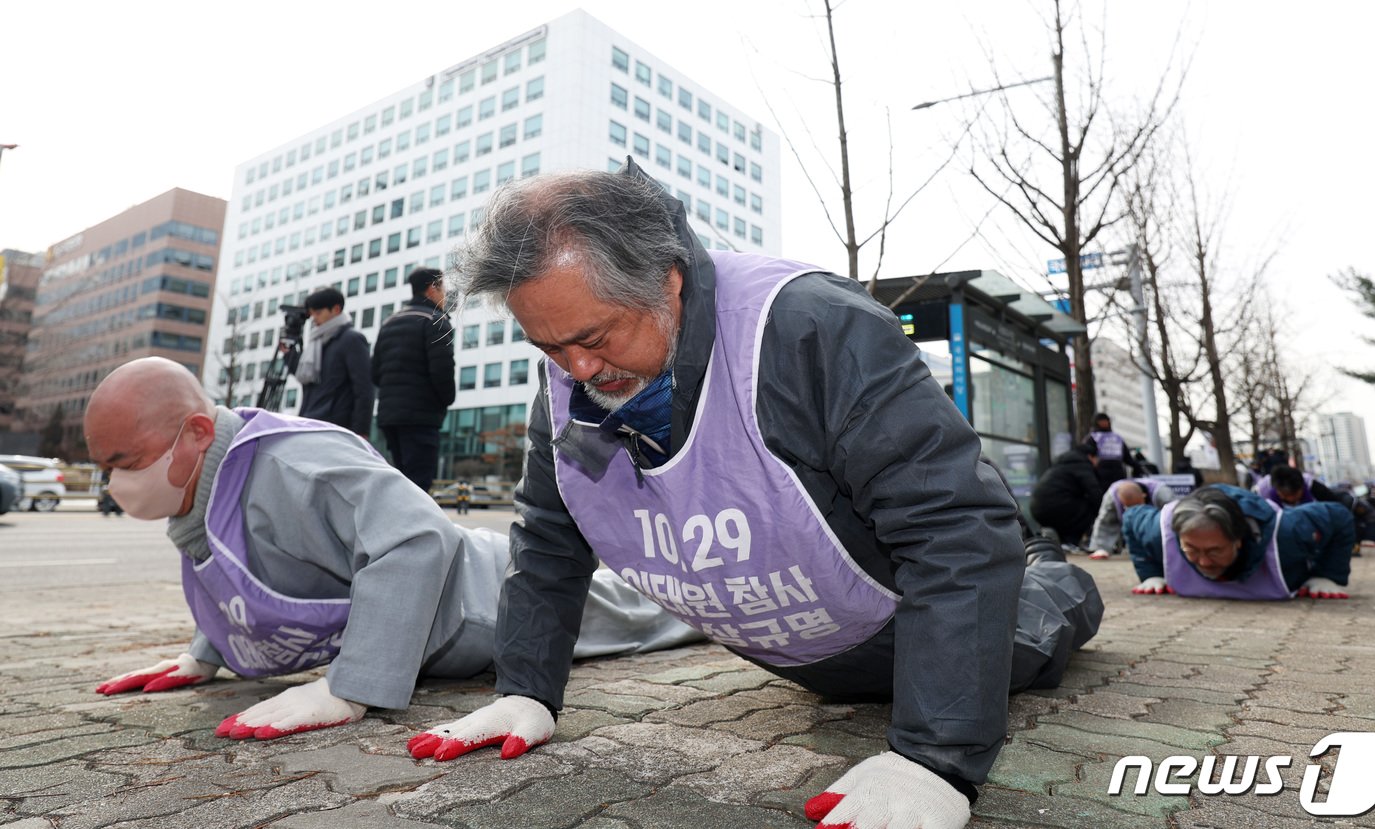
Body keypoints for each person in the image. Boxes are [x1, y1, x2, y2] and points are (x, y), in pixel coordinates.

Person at [404, 163, 1102, 829]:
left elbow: (952, 533)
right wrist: (524, 687)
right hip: (810, 655)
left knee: (1041, 607)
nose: (577, 369)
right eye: (550, 348)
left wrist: (936, 756)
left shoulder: (813, 327)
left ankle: (1049, 565)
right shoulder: (571, 382)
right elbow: (548, 542)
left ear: (666, 282)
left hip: (924, 627)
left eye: (592, 337)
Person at [82, 357, 700, 741]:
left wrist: (347, 690)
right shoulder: (209, 485)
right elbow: (247, 570)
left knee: (659, 608)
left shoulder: (295, 464)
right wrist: (207, 652)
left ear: (195, 434)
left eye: (125, 463)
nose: (115, 484)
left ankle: (726, 596)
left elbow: (417, 536)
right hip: (439, 620)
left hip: (483, 599)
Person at [1122, 484, 1353, 599]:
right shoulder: (1159, 532)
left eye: (1215, 551)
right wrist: (1151, 574)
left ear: (1239, 541)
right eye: (1191, 549)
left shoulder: (1288, 533)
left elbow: (1339, 515)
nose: (1203, 561)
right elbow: (1131, 516)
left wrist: (1328, 575)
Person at [371, 267, 456, 492]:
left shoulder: (389, 322)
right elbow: (442, 370)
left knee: (401, 479)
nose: (445, 295)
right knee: (419, 483)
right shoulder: (435, 321)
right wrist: (446, 399)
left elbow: (375, 373)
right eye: (443, 289)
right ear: (432, 288)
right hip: (421, 416)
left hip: (390, 416)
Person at [284, 287, 373, 438]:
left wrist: (361, 431)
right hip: (310, 421)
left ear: (336, 309)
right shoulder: (317, 342)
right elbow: (305, 377)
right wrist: (289, 354)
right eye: (312, 314)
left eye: (318, 313)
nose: (315, 319)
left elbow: (364, 388)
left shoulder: (351, 339)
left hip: (337, 426)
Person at [1029, 439, 1103, 549]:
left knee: (1072, 508)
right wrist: (1102, 513)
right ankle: (1070, 542)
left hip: (1037, 508)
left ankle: (1062, 542)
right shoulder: (1082, 465)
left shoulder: (1062, 464)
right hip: (1057, 507)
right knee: (1089, 509)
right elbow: (1094, 492)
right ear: (1091, 457)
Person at [1087, 478, 1178, 559]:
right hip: (1128, 522)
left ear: (1144, 495)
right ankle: (1102, 548)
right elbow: (1104, 521)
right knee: (1107, 519)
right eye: (1128, 507)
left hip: (1157, 521)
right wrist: (1101, 548)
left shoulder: (1162, 493)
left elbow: (1177, 514)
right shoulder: (1112, 496)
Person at [1253, 464, 1338, 508]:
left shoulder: (1310, 484)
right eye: (1291, 495)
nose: (1294, 499)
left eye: (1296, 494)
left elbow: (1334, 504)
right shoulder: (1262, 490)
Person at [1085, 412, 1130, 491]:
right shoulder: (1092, 438)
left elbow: (1127, 457)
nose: (1104, 422)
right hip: (1100, 476)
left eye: (1106, 420)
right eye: (1101, 420)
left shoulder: (1116, 437)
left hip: (1117, 474)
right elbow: (1087, 455)